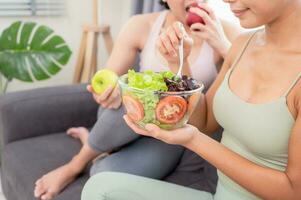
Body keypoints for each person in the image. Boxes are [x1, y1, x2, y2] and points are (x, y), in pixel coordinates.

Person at [81, 0, 301, 199]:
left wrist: (193, 140)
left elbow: (293, 191)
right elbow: (204, 122)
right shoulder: (243, 44)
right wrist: (180, 63)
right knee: (99, 187)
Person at [34, 0, 241, 199]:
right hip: (123, 118)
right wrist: (107, 90)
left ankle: (93, 144)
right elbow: (110, 76)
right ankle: (75, 165)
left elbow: (251, 81)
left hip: (170, 132)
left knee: (101, 174)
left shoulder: (226, 32)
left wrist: (223, 45)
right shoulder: (140, 25)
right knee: (137, 96)